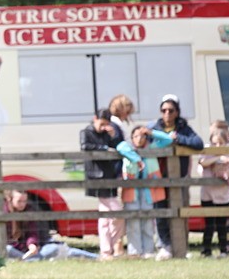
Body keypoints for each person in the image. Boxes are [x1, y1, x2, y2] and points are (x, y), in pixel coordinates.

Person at [150, 94, 204, 259]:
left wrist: (178, 138)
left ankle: (181, 247)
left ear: (177, 112)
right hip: (159, 177)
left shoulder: (183, 128)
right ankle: (165, 246)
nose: (167, 114)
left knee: (181, 212)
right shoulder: (155, 129)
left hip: (180, 178)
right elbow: (145, 145)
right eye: (164, 110)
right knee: (161, 213)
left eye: (171, 110)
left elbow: (198, 144)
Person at [117, 125, 172, 259]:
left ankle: (148, 251)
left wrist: (151, 132)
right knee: (133, 222)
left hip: (148, 190)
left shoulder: (151, 149)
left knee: (147, 221)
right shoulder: (128, 149)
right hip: (132, 190)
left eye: (142, 136)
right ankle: (134, 251)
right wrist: (137, 159)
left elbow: (168, 140)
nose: (139, 139)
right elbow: (120, 147)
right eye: (136, 136)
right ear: (132, 138)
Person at [81, 108, 125, 260]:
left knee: (106, 217)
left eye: (106, 123)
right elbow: (85, 146)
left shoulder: (108, 133)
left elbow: (120, 147)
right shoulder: (86, 132)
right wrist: (105, 148)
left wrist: (113, 136)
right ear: (95, 119)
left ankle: (107, 250)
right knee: (116, 212)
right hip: (97, 177)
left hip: (109, 176)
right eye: (101, 123)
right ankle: (110, 246)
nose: (103, 126)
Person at [4, 189, 98, 260]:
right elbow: (6, 240)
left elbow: (32, 233)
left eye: (24, 201)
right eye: (19, 201)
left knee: (55, 248)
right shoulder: (4, 213)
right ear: (10, 199)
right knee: (7, 249)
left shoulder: (29, 210)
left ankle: (97, 257)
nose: (22, 204)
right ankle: (29, 259)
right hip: (14, 249)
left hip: (30, 250)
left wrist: (32, 244)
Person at [197, 122, 229, 257]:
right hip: (207, 194)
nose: (217, 146)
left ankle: (224, 250)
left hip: (222, 195)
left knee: (222, 224)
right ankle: (206, 250)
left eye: (220, 143)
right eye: (215, 143)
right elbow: (202, 163)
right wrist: (217, 158)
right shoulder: (207, 152)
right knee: (209, 225)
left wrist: (228, 174)